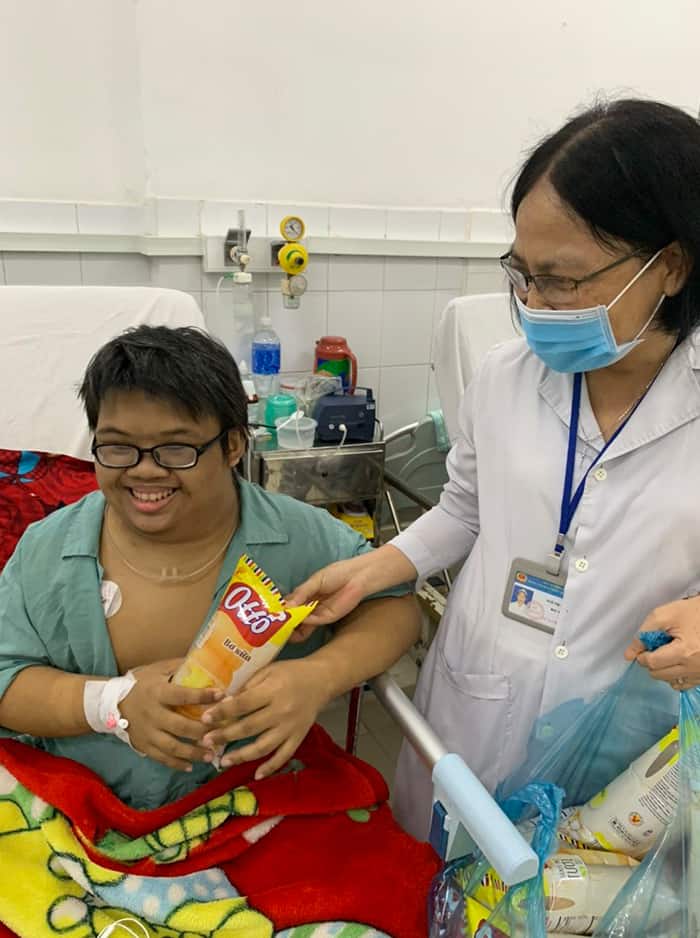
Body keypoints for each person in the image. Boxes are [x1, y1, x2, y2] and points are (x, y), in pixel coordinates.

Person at [287, 98, 700, 839]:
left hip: (626, 742)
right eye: (522, 273)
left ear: (669, 264)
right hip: (476, 704)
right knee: (443, 884)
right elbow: (465, 509)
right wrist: (374, 569)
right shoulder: (507, 377)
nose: (534, 304)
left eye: (563, 280)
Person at [0, 325, 419, 810]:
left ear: (233, 446)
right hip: (78, 806)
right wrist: (110, 705)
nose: (144, 470)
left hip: (249, 804)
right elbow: (7, 677)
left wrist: (318, 677)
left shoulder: (298, 539)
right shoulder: (49, 551)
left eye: (177, 450)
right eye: (116, 447)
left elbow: (394, 608)